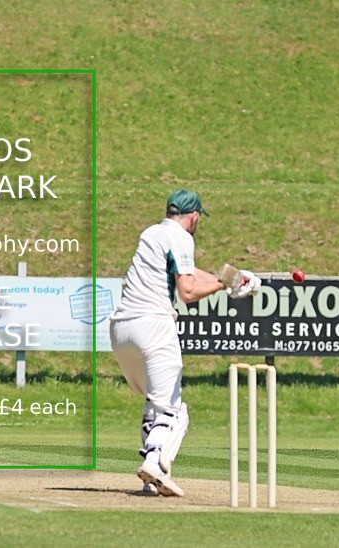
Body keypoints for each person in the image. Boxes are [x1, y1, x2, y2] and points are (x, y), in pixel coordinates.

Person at [109, 189, 260, 496]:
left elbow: (185, 272)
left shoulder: (151, 233)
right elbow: (188, 292)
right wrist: (223, 284)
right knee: (175, 411)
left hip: (121, 330)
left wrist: (231, 279)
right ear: (193, 217)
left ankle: (150, 476)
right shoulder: (183, 237)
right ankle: (154, 463)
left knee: (156, 401)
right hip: (153, 326)